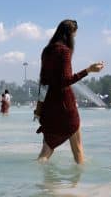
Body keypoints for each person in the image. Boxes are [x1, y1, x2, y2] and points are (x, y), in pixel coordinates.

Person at [36, 19, 104, 164]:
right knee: (78, 148)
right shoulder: (64, 51)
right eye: (74, 36)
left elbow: (43, 81)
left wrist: (39, 107)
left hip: (49, 106)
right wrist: (88, 70)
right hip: (65, 106)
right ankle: (79, 184)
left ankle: (42, 184)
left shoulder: (47, 51)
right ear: (70, 34)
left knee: (45, 151)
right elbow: (65, 81)